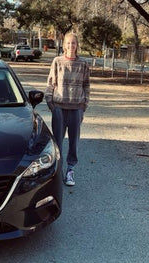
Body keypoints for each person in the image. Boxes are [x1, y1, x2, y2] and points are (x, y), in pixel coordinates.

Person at [45, 33, 90, 186]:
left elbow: (86, 85)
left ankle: (70, 171)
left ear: (77, 45)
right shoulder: (57, 61)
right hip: (59, 108)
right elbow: (51, 84)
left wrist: (84, 105)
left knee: (74, 141)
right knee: (57, 142)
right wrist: (51, 104)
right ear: (64, 45)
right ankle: (56, 171)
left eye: (74, 43)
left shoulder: (83, 64)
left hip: (76, 109)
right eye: (69, 43)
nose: (71, 46)